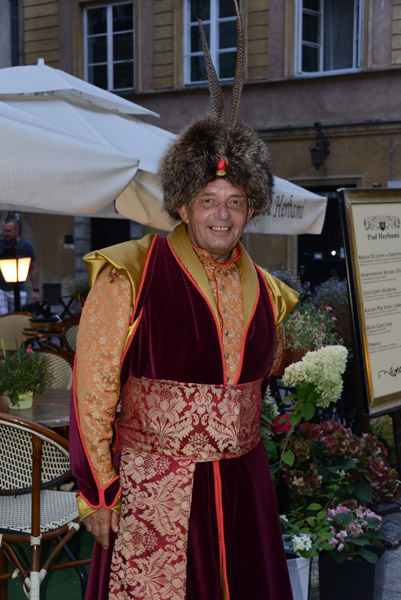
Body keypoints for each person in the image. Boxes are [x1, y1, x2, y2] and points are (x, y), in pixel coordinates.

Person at [70, 3, 298, 598]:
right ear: (182, 204)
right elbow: (92, 388)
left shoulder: (270, 291)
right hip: (153, 488)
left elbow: (264, 374)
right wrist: (97, 489)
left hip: (243, 486)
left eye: (235, 201)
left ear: (251, 210)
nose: (222, 214)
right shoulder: (131, 273)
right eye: (208, 199)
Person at [0, 216, 39, 314]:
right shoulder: (0, 245)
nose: (5, 233)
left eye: (8, 231)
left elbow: (32, 268)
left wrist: (36, 290)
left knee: (18, 317)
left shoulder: (26, 246)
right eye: (4, 230)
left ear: (16, 230)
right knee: (3, 317)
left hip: (20, 288)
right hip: (1, 289)